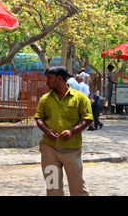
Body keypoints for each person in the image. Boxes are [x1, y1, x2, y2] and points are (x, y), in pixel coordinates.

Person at [34, 65, 93, 196]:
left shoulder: (81, 98)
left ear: (59, 78)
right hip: (49, 150)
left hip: (72, 150)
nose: (46, 81)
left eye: (49, 78)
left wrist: (72, 132)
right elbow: (39, 118)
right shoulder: (45, 99)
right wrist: (46, 130)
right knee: (53, 189)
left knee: (78, 188)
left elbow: (88, 119)